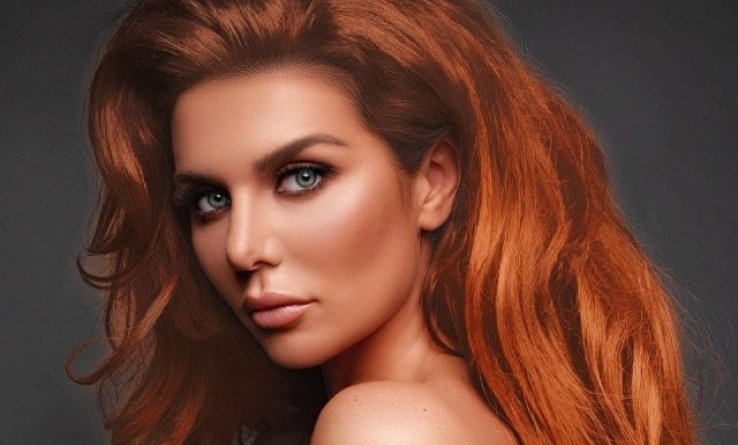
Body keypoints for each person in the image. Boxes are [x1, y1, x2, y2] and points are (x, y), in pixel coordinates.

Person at [68, 0, 698, 443]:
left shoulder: (382, 428)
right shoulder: (454, 413)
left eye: (302, 177)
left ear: (433, 182)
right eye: (210, 199)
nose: (241, 247)